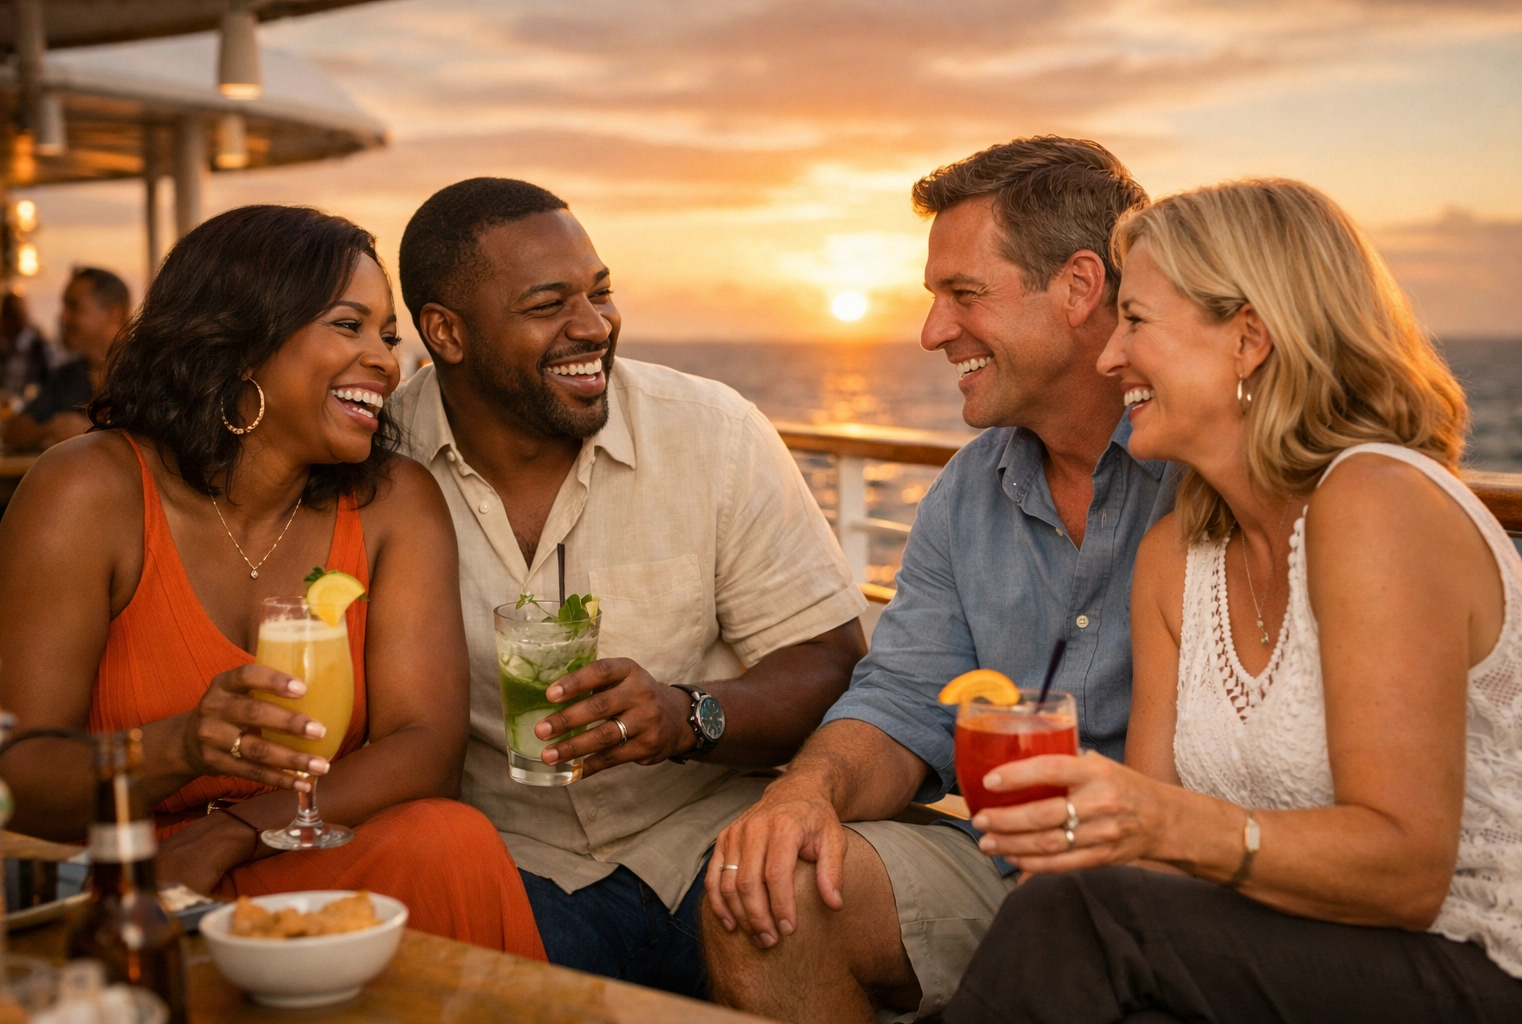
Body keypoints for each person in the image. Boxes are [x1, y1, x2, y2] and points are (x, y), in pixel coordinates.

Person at [945, 178, 1522, 1023]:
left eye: (1135, 321)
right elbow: (1146, 867)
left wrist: (1158, 825)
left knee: (1086, 921)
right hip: (1282, 945)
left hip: (1469, 960)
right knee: (1083, 922)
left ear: (1248, 338)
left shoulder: (1376, 503)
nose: (1110, 357)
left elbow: (1407, 872)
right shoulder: (1175, 559)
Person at [0, 205, 545, 958]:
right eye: (349, 326)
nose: (384, 359)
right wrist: (180, 746)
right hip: (129, 877)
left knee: (448, 838)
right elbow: (14, 777)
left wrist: (238, 829)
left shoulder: (392, 501)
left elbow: (426, 745)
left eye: (387, 335)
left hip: (294, 849)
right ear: (243, 340)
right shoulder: (89, 491)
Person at [701, 136, 1173, 1023]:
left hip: (1176, 886)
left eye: (963, 295)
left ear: (1079, 288)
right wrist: (803, 796)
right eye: (934, 299)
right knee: (771, 897)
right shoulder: (967, 490)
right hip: (1003, 865)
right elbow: (905, 700)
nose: (931, 332)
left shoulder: (1205, 471)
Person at [389, 177, 867, 995]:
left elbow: (829, 659)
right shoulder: (381, 463)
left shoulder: (711, 432)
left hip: (713, 853)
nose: (594, 326)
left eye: (601, 292)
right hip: (510, 868)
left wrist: (687, 716)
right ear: (447, 332)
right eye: (549, 304)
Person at [3, 267, 130, 449]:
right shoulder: (69, 376)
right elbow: (12, 432)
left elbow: (165, 441)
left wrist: (91, 432)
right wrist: (49, 429)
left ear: (113, 314)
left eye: (74, 307)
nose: (62, 318)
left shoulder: (149, 372)